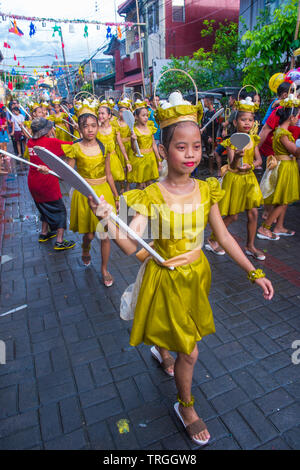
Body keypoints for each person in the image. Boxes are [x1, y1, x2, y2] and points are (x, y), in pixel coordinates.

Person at [87, 91, 274, 446]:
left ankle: (162, 350)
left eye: (197, 147)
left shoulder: (207, 190)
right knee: (192, 351)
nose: (190, 155)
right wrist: (109, 221)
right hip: (166, 276)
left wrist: (255, 271)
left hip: (198, 275)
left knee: (181, 335)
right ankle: (186, 406)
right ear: (164, 148)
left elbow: (224, 237)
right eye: (181, 147)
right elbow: (130, 246)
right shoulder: (151, 195)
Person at [62, 106, 119, 287]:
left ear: (97, 126)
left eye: (93, 125)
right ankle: (85, 248)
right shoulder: (75, 148)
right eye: (86, 126)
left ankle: (103, 269)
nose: (90, 130)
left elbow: (109, 174)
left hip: (104, 193)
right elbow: (67, 172)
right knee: (89, 235)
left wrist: (116, 196)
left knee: (105, 234)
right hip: (85, 194)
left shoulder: (105, 145)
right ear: (79, 128)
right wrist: (50, 170)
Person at [205, 94, 265, 260]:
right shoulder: (232, 140)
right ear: (235, 122)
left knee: (253, 213)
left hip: (249, 179)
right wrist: (238, 157)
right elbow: (232, 165)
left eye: (250, 120)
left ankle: (250, 246)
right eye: (243, 120)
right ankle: (212, 239)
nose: (247, 123)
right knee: (233, 216)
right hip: (235, 179)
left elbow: (259, 159)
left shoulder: (253, 139)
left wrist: (251, 165)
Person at [26, 117, 75, 250]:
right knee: (60, 210)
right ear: (46, 131)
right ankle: (59, 241)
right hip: (47, 182)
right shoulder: (51, 142)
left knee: (43, 207)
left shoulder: (30, 142)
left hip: (33, 181)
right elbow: (72, 146)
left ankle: (44, 233)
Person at [258, 97, 300, 240]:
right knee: (283, 201)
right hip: (285, 167)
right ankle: (265, 228)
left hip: (287, 166)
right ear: (292, 117)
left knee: (284, 200)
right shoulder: (283, 133)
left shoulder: (281, 132)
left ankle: (278, 226)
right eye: (298, 116)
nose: (298, 120)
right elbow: (295, 151)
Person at [128, 99, 161, 189]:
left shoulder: (150, 128)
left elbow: (153, 144)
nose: (146, 118)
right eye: (143, 116)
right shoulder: (134, 131)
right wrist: (132, 139)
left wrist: (158, 159)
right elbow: (134, 149)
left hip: (150, 158)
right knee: (140, 183)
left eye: (147, 115)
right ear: (136, 117)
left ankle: (150, 200)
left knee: (150, 182)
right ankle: (140, 201)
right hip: (140, 159)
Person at [97, 100, 126, 186]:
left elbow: (121, 145)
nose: (100, 116)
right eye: (99, 113)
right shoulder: (96, 130)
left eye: (103, 113)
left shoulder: (114, 129)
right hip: (100, 159)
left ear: (109, 115)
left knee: (116, 177)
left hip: (113, 158)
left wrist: (127, 160)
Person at [114, 98, 134, 192]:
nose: (122, 114)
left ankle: (128, 185)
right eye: (121, 112)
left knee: (129, 166)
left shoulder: (130, 122)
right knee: (122, 167)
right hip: (119, 146)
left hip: (129, 146)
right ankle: (122, 185)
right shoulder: (115, 123)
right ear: (118, 112)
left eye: (125, 112)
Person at [202, 96, 219, 175]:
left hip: (211, 137)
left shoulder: (214, 113)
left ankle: (212, 170)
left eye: (205, 101)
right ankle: (209, 169)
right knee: (208, 153)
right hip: (205, 136)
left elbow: (216, 127)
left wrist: (212, 137)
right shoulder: (206, 112)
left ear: (209, 102)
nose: (204, 103)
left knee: (212, 154)